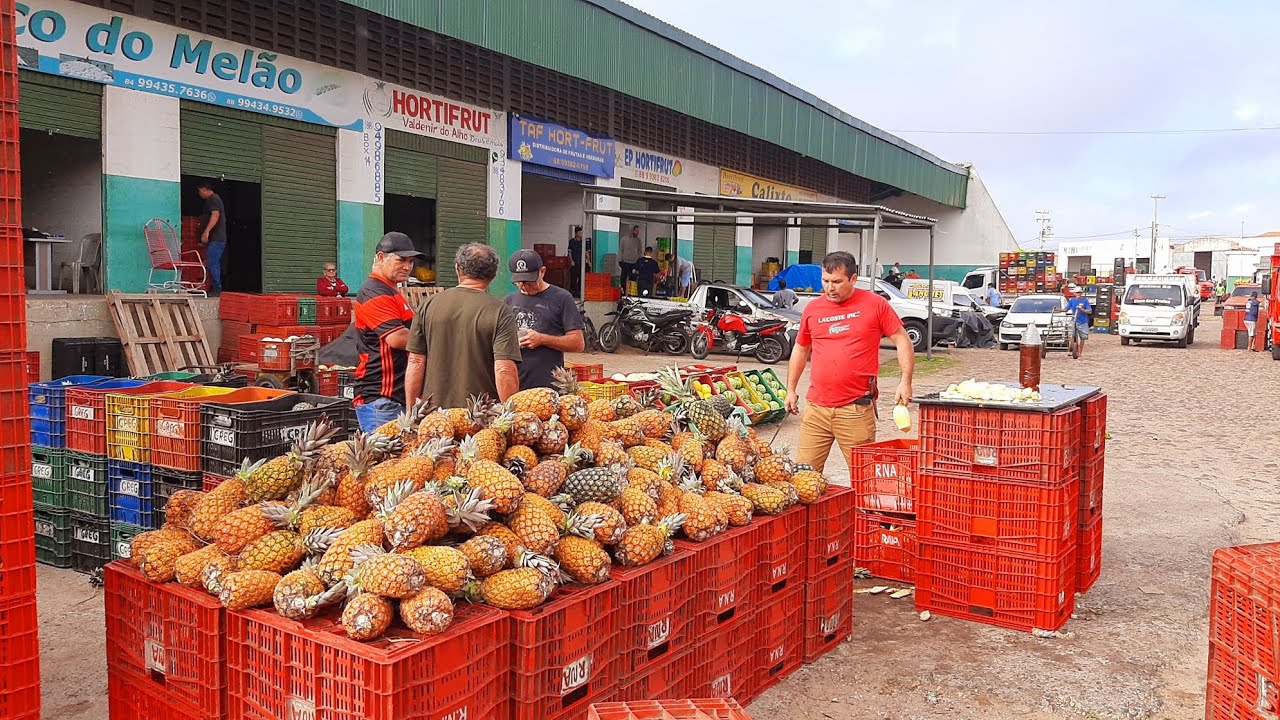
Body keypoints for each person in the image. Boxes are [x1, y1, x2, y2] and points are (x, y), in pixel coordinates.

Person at [785, 251, 916, 473]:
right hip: (816, 408)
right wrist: (791, 388)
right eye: (825, 281)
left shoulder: (876, 304)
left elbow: (902, 339)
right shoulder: (813, 309)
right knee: (804, 477)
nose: (829, 288)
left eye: (837, 282)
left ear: (853, 279)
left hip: (855, 409)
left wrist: (905, 381)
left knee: (864, 478)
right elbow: (800, 347)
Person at [406, 243, 522, 409]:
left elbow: (416, 362)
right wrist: (511, 417)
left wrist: (412, 411)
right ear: (494, 274)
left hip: (434, 418)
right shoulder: (500, 311)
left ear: (457, 269)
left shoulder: (429, 305)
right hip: (481, 419)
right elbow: (504, 370)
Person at [352, 232, 421, 432]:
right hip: (381, 398)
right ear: (381, 257)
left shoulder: (391, 291)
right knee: (383, 461)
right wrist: (441, 341)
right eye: (401, 260)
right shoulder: (374, 291)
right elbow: (397, 338)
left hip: (394, 397)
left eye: (411, 262)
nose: (407, 267)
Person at [504, 249, 585, 388]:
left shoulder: (562, 298)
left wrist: (542, 339)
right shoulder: (508, 301)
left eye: (529, 281)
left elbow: (578, 343)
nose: (524, 286)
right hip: (516, 385)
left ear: (542, 271)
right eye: (519, 282)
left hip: (548, 388)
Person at [197, 181, 227, 296]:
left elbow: (215, 215)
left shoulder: (214, 199)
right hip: (213, 240)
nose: (199, 194)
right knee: (210, 262)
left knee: (213, 263)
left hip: (216, 239)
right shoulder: (212, 200)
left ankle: (217, 290)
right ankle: (214, 288)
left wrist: (206, 232)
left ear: (204, 189)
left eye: (199, 191)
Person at [1064, 284, 1092, 357]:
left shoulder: (1085, 301)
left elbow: (1089, 311)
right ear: (1074, 293)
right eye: (1077, 292)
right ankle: (1072, 350)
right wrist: (1057, 309)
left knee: (1083, 337)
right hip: (1074, 320)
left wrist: (1082, 310)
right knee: (1072, 336)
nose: (1078, 294)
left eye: (1079, 292)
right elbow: (1066, 309)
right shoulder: (1072, 301)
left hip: (1083, 322)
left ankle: (1080, 352)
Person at [568, 226, 584, 296]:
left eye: (581, 233)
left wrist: (588, 261)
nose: (581, 234)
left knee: (581, 278)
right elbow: (569, 252)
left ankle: (580, 293)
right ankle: (572, 292)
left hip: (581, 263)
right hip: (574, 263)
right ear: (576, 233)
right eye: (579, 233)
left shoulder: (583, 242)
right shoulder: (572, 241)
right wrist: (571, 261)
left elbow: (586, 252)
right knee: (573, 278)